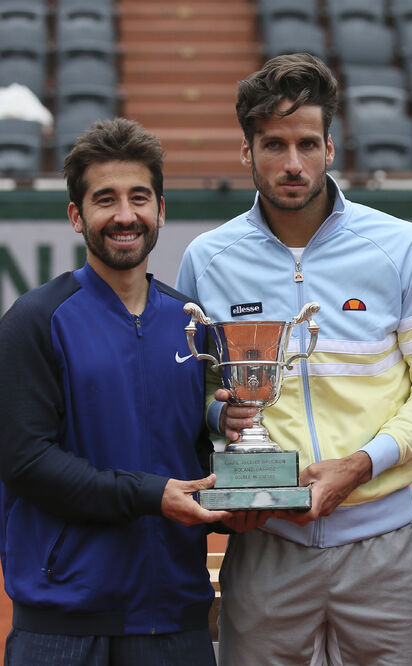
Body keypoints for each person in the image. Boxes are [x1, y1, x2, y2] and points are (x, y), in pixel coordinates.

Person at [175, 53, 412, 666]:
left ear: (330, 148)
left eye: (307, 143)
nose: (292, 163)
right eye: (273, 144)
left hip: (382, 543)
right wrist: (216, 418)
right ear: (246, 152)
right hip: (264, 545)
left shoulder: (404, 248)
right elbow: (193, 394)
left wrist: (364, 463)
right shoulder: (208, 258)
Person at [0, 118, 229, 664]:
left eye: (139, 198)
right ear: (77, 216)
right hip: (63, 623)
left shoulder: (193, 325)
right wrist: (150, 495)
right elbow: (26, 461)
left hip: (177, 616)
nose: (125, 215)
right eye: (106, 200)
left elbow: (200, 448)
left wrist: (230, 430)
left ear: (161, 211)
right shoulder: (34, 320)